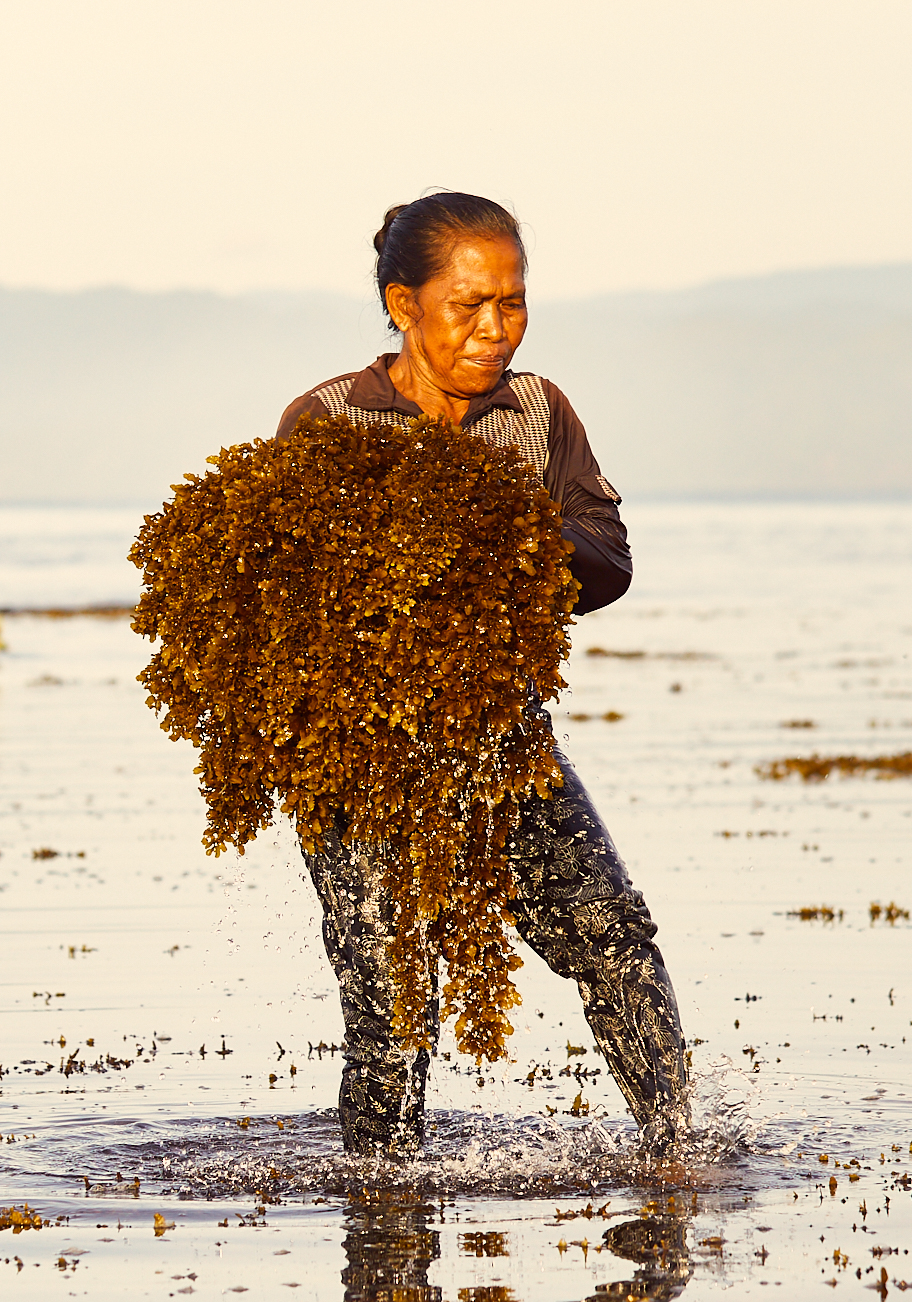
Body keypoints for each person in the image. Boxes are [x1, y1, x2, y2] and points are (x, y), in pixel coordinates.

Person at [276, 192, 691, 1159]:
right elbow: (285, 604)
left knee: (613, 940)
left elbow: (610, 563)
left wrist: (515, 528)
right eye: (470, 305)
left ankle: (681, 1157)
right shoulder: (328, 420)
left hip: (503, 740)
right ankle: (383, 1213)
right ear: (402, 303)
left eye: (513, 302)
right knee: (391, 1009)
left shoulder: (539, 413)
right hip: (360, 762)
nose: (495, 328)